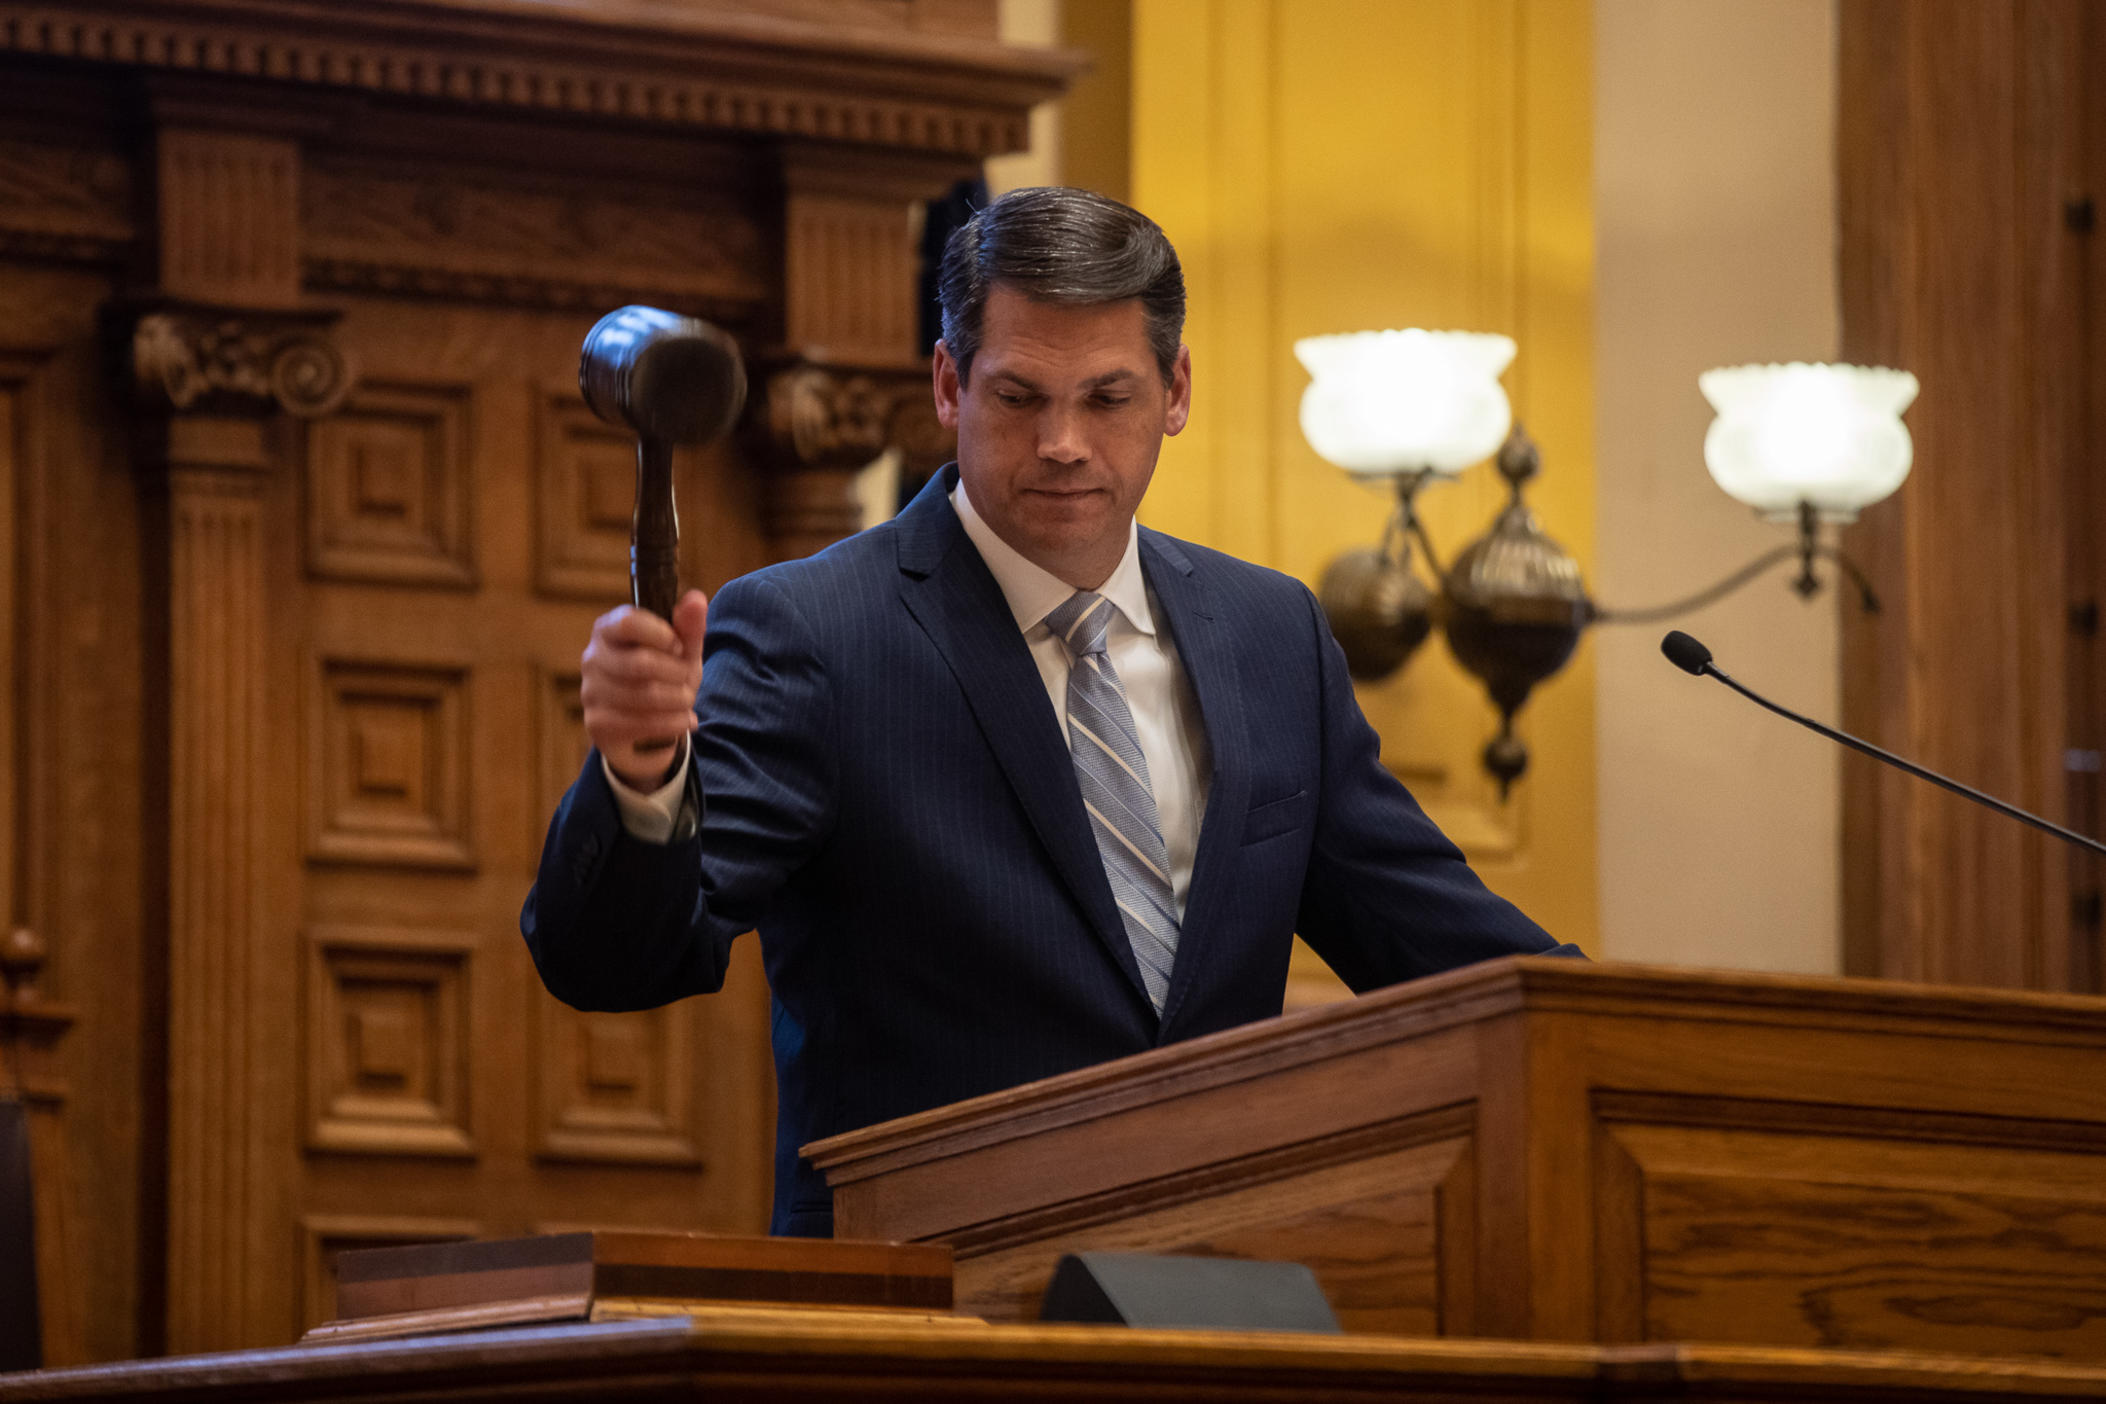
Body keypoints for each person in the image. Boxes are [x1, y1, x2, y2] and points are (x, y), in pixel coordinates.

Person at [522, 186, 1579, 1238]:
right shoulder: (816, 633)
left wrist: (1650, 1046)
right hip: (926, 1304)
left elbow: (1448, 949)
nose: (1065, 442)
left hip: (1220, 1292)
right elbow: (617, 964)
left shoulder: (1272, 636)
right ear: (948, 385)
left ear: (1176, 390)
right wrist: (644, 778)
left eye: (1107, 398)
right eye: (1021, 397)